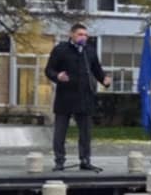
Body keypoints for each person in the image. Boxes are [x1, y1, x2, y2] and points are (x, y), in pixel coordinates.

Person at [46, 23, 109, 172]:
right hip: (65, 97)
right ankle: (59, 160)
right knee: (60, 132)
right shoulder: (60, 49)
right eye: (80, 34)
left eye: (86, 35)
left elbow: (97, 70)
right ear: (72, 35)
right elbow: (49, 69)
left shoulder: (89, 51)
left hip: (84, 97)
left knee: (86, 132)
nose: (84, 37)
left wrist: (104, 80)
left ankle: (85, 160)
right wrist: (57, 76)